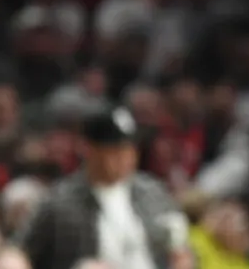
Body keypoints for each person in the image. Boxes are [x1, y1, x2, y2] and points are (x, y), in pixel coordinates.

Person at [14, 107, 191, 269]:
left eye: (130, 149)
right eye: (115, 150)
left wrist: (184, 259)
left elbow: (182, 247)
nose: (126, 157)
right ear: (88, 149)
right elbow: (19, 253)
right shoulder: (59, 202)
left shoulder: (153, 192)